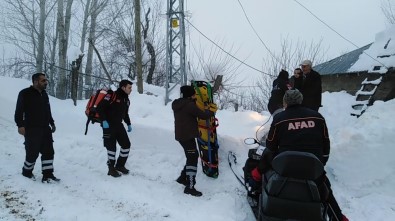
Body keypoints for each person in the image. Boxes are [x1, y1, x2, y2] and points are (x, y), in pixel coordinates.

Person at [250, 90, 348, 221]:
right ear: (301, 100)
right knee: (326, 191)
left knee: (265, 163)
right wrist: (320, 164)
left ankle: (254, 186)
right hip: (312, 167)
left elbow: (271, 145)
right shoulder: (317, 117)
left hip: (285, 167)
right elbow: (326, 145)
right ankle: (338, 217)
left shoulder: (279, 119)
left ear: (285, 103)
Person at [172, 85, 217, 197]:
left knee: (191, 156)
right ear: (189, 95)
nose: (195, 96)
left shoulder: (178, 104)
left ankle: (183, 178)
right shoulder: (189, 106)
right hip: (187, 136)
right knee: (192, 158)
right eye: (193, 94)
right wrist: (212, 110)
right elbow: (203, 116)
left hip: (182, 136)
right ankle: (190, 186)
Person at [14, 73, 60, 183]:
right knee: (32, 152)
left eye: (46, 80)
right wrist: (20, 125)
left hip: (45, 129)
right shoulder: (25, 93)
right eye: (43, 81)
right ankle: (27, 172)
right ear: (35, 82)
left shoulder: (44, 94)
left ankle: (48, 175)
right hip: (31, 129)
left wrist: (52, 123)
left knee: (49, 152)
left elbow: (47, 111)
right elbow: (19, 111)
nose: (46, 82)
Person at [98, 80, 133, 177]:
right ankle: (111, 168)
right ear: (123, 87)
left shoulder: (126, 100)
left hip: (118, 124)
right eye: (129, 87)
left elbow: (125, 114)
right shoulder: (112, 95)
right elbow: (100, 108)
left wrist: (129, 124)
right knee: (111, 148)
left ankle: (120, 165)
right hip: (108, 125)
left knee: (126, 145)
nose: (131, 90)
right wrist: (103, 120)